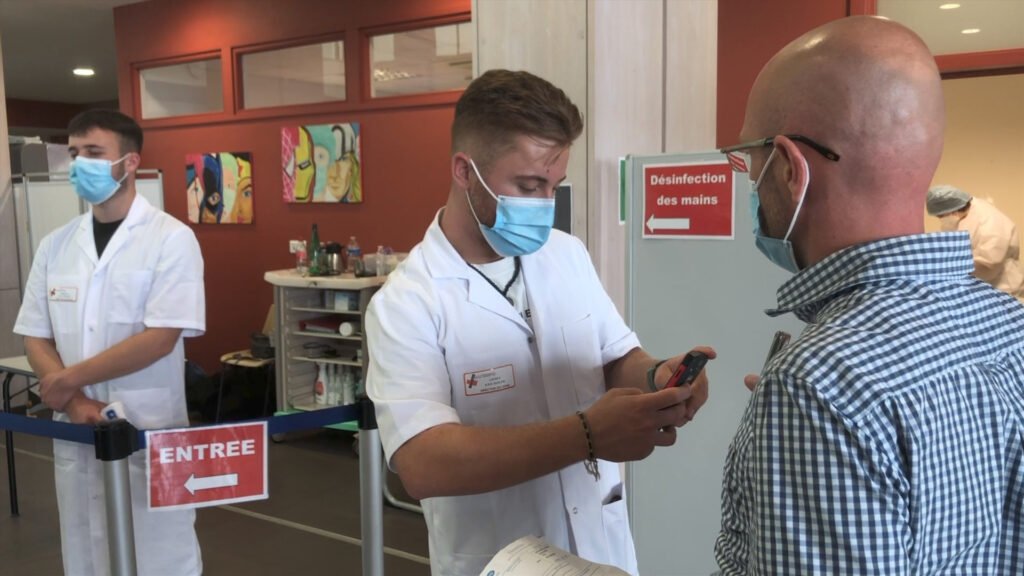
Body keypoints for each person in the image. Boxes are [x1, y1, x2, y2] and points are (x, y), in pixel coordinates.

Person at [365, 69, 713, 576]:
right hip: (499, 557)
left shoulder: (565, 255)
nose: (545, 206)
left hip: (600, 545)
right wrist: (588, 436)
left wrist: (659, 377)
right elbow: (423, 462)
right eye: (528, 185)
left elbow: (615, 357)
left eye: (554, 186)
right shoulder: (407, 303)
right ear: (465, 171)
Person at [716, 16, 1024, 574]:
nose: (750, 179)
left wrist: (813, 412)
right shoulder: (1008, 322)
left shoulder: (819, 384)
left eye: (750, 159)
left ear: (788, 167)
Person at [13, 109, 205, 576]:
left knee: (163, 553)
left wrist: (64, 382)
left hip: (149, 425)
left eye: (94, 153)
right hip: (76, 430)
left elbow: (160, 338)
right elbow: (35, 333)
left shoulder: (171, 239)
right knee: (86, 552)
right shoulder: (55, 245)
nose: (81, 164)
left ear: (130, 161)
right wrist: (73, 400)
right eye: (75, 154)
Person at [927, 185, 1024, 302]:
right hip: (983, 287)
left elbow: (991, 260)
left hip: (1003, 287)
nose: (941, 219)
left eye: (941, 215)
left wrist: (949, 264)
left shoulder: (989, 223)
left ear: (952, 211)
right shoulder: (966, 212)